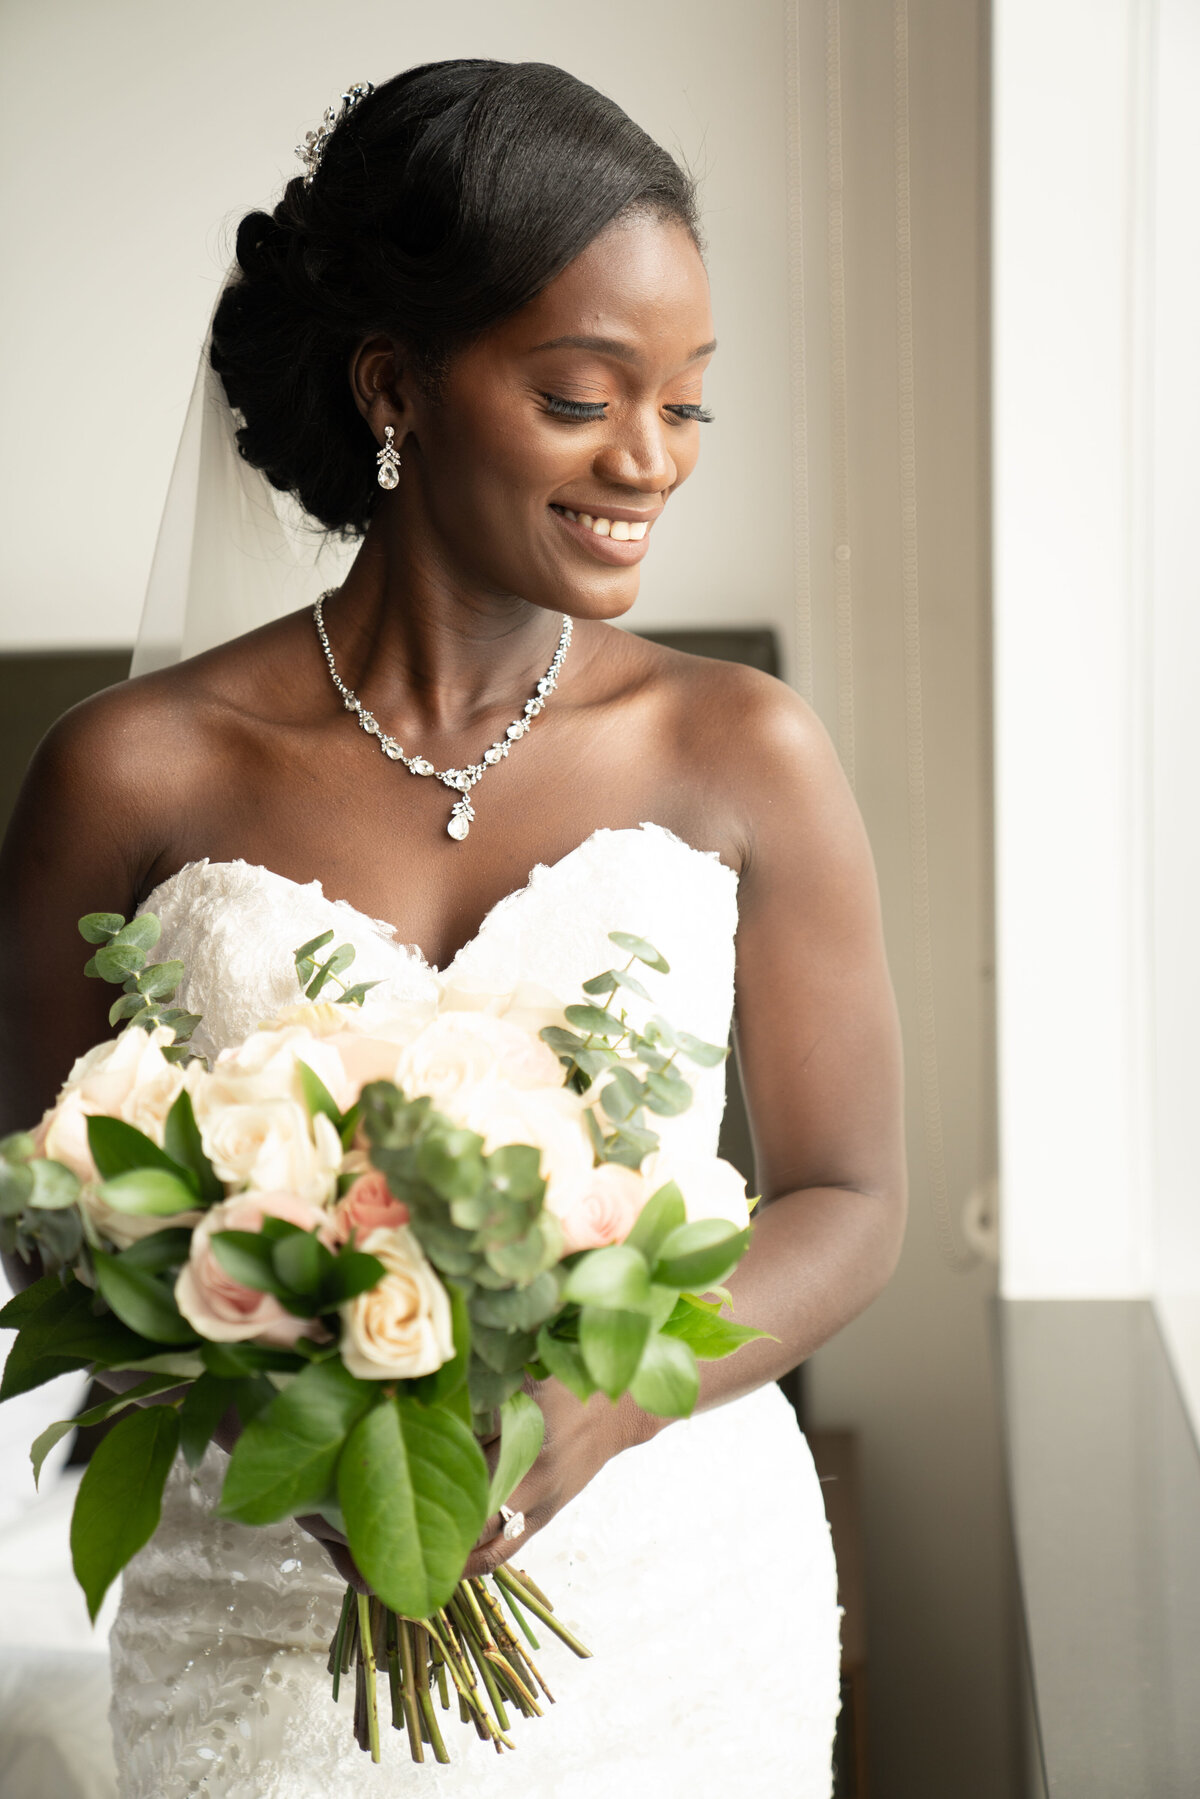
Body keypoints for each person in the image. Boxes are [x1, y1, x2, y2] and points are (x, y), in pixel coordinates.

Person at [0, 59, 905, 1798]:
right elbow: (41, 1214)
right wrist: (284, 1359)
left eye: (689, 404)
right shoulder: (125, 773)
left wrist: (610, 1399)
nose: (649, 459)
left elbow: (851, 1203)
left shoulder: (742, 753)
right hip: (266, 1615)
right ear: (396, 385)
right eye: (583, 396)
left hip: (676, 1609)